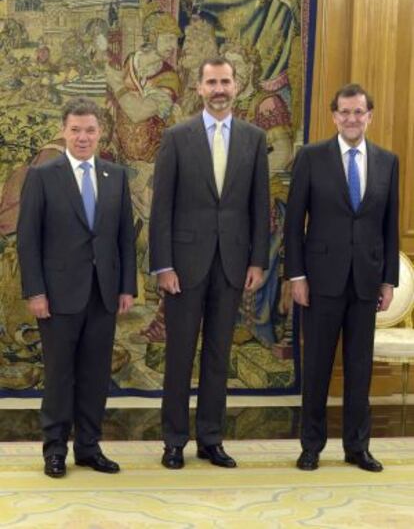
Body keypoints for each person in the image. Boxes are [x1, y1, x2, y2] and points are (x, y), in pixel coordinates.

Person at [149, 57, 270, 469]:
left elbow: (259, 205)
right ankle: (173, 441)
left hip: (233, 263)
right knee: (180, 354)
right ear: (198, 88)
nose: (219, 89)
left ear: (237, 86)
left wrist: (258, 260)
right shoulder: (177, 137)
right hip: (183, 265)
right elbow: (160, 207)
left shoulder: (254, 138)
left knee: (218, 355)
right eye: (211, 82)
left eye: (225, 82)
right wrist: (163, 264)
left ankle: (211, 439)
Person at [17, 97, 137, 478]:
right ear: (64, 131)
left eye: (89, 130)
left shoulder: (115, 176)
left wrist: (126, 287)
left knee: (95, 375)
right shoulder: (42, 175)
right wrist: (35, 292)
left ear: (100, 132)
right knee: (59, 375)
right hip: (56, 296)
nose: (82, 137)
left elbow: (123, 239)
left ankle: (89, 447)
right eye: (75, 130)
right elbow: (27, 239)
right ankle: (55, 450)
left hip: (103, 294)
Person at [284, 83, 399, 473]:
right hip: (319, 281)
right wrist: (296, 275)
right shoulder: (312, 157)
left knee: (359, 368)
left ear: (370, 116)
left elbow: (389, 226)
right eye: (345, 112)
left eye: (359, 112)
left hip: (366, 282)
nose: (352, 119)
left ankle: (357, 447)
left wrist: (388, 281)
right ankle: (311, 446)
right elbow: (293, 221)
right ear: (334, 116)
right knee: (316, 367)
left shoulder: (387, 161)